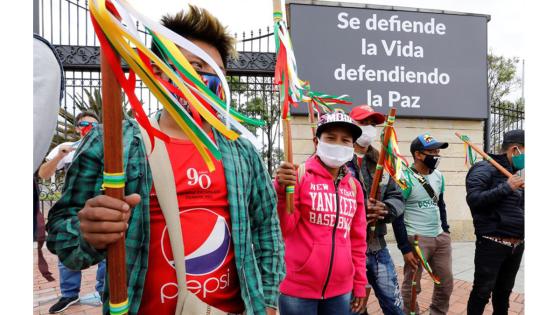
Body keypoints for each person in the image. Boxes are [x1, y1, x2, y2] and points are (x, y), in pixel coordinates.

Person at [47, 5, 284, 315]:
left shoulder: (242, 152)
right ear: (158, 72)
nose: (202, 79)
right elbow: (63, 240)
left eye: (214, 71)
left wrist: (267, 302)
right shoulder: (114, 144)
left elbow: (267, 230)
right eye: (192, 67)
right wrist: (87, 234)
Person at [275, 111, 368, 315]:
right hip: (297, 290)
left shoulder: (354, 187)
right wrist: (283, 193)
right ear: (317, 141)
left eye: (345, 140)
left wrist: (360, 283)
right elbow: (285, 229)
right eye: (330, 138)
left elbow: (358, 240)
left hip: (341, 291)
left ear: (352, 147)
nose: (338, 144)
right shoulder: (299, 176)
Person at [38, 111, 106, 314]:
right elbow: (43, 174)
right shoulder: (66, 148)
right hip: (72, 208)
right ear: (77, 127)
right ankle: (69, 293)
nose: (90, 128)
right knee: (68, 244)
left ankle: (103, 290)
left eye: (95, 125)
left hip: (99, 206)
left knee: (105, 249)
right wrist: (60, 155)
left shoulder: (107, 148)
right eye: (85, 124)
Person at [347, 105, 405, 315]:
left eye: (372, 124)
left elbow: (397, 197)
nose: (368, 129)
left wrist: (386, 208)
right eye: (362, 123)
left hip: (377, 247)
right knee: (353, 309)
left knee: (395, 307)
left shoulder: (383, 160)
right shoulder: (337, 159)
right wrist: (359, 210)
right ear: (351, 125)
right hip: (347, 250)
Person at [392, 133, 453, 315]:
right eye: (432, 151)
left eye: (437, 151)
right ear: (418, 154)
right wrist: (405, 248)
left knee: (446, 283)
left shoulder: (439, 176)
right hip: (416, 240)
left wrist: (446, 230)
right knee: (412, 286)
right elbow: (397, 215)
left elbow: (440, 204)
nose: (436, 155)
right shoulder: (404, 178)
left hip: (440, 238)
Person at [465, 130, 524, 315]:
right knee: (482, 293)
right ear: (515, 150)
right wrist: (506, 188)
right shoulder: (484, 168)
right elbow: (474, 199)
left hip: (516, 245)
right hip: (492, 243)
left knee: (503, 293)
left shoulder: (514, 174)